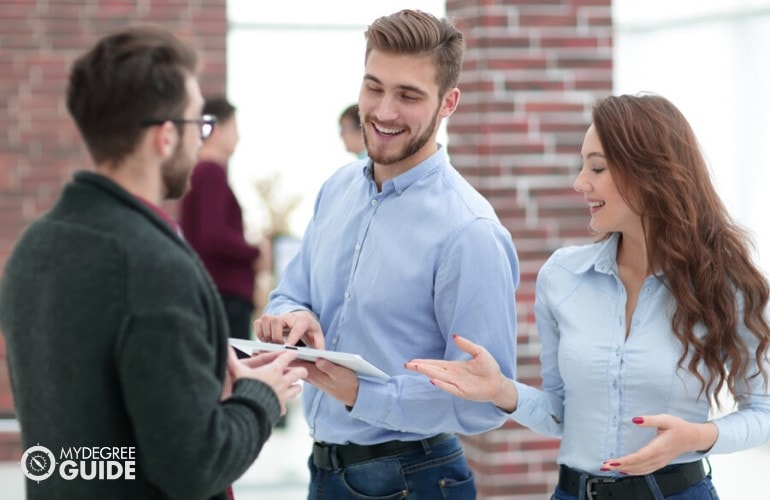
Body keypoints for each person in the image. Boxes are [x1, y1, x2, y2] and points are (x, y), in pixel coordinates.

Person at [406, 93, 770, 500]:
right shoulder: (562, 277)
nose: (581, 182)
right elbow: (562, 412)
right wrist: (500, 391)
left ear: (649, 172)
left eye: (596, 167)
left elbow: (764, 412)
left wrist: (699, 436)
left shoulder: (725, 285)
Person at [0, 26, 306, 499]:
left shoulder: (33, 248)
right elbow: (192, 465)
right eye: (197, 125)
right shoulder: (151, 267)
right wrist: (262, 396)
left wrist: (205, 384)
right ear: (166, 137)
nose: (200, 140)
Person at [253, 9, 519, 499]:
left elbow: (483, 401)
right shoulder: (336, 189)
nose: (384, 111)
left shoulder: (469, 232)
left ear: (449, 103)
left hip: (413, 480)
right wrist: (288, 317)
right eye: (374, 87)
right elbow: (289, 292)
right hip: (325, 470)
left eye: (409, 95)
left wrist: (361, 394)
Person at [180, 96, 262, 341]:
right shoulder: (210, 172)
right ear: (216, 130)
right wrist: (255, 251)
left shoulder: (201, 172)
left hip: (215, 293)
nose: (237, 136)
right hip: (224, 296)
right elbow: (213, 236)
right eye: (233, 128)